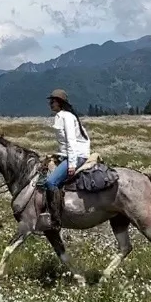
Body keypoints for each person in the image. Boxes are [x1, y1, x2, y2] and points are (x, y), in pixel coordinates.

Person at [39, 89, 91, 230]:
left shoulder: (66, 117)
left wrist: (72, 164)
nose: (50, 103)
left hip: (77, 155)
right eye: (51, 101)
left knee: (50, 182)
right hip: (69, 154)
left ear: (60, 103)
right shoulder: (62, 116)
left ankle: (55, 220)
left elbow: (71, 141)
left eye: (53, 101)